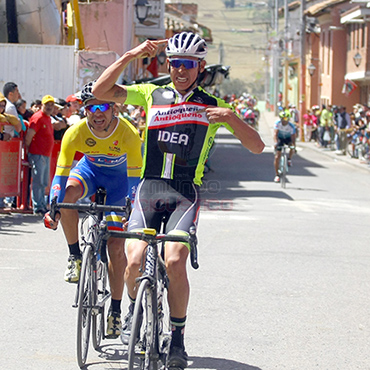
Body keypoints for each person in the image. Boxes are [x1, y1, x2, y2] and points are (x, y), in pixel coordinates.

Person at [92, 32, 265, 369]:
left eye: (188, 64)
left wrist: (231, 118)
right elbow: (99, 91)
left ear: (200, 67)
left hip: (184, 193)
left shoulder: (211, 106)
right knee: (133, 261)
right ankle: (133, 311)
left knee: (174, 262)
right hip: (149, 190)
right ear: (168, 65)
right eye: (175, 64)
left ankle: (178, 339)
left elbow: (257, 147)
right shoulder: (151, 93)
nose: (181, 70)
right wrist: (130, 55)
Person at [43, 81, 142, 339]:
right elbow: (61, 174)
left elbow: (134, 180)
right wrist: (54, 204)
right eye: (91, 107)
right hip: (90, 172)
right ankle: (75, 255)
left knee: (116, 248)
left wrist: (131, 206)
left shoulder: (129, 133)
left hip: (120, 183)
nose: (97, 113)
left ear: (114, 109)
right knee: (67, 195)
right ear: (84, 110)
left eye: (103, 106)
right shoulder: (74, 132)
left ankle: (116, 312)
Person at [25, 95, 56, 215]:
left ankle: (42, 204)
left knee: (43, 181)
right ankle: (38, 206)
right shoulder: (37, 118)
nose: (49, 107)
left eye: (51, 104)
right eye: (47, 104)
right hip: (37, 153)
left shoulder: (48, 118)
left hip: (45, 154)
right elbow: (29, 136)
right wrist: (29, 151)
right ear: (41, 105)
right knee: (38, 181)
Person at [273, 110, 296, 183]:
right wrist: (276, 143)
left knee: (292, 147)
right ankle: (277, 175)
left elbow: (293, 137)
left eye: (286, 119)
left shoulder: (291, 126)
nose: (284, 121)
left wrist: (293, 145)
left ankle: (289, 159)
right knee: (277, 157)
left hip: (288, 138)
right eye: (282, 119)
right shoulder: (278, 124)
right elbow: (275, 134)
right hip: (280, 139)